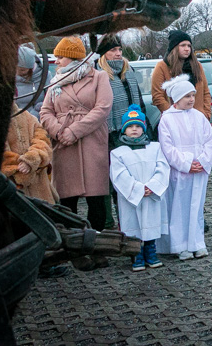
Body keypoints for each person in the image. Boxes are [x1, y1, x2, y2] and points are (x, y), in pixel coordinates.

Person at [40, 36, 112, 231]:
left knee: (95, 198)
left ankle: (97, 244)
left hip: (90, 140)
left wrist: (75, 131)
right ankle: (74, 248)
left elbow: (102, 108)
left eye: (61, 57)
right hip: (64, 143)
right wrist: (57, 131)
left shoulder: (98, 77)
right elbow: (45, 111)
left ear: (72, 57)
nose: (57, 61)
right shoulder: (55, 81)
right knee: (66, 199)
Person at [157, 75, 212, 260]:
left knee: (196, 206)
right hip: (179, 172)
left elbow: (209, 140)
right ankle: (180, 245)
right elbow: (167, 148)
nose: (191, 99)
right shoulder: (167, 119)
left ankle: (196, 242)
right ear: (176, 98)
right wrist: (187, 164)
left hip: (198, 171)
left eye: (192, 95)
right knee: (179, 207)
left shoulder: (198, 116)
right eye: (187, 96)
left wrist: (203, 161)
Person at [110, 104, 170, 272]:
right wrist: (137, 189)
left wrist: (153, 186)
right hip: (132, 198)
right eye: (130, 126)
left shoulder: (155, 147)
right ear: (124, 130)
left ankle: (151, 252)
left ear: (143, 128)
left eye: (138, 126)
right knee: (134, 225)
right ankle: (136, 254)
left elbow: (162, 168)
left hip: (151, 195)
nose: (134, 129)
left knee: (151, 222)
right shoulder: (118, 152)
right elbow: (119, 175)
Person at [95, 34, 144, 229]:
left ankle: (128, 219)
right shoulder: (98, 73)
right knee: (108, 179)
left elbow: (138, 100)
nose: (117, 54)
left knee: (129, 176)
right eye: (112, 50)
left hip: (130, 130)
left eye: (119, 50)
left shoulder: (128, 71)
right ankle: (108, 222)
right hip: (107, 133)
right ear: (103, 54)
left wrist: (143, 124)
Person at [151, 29, 212, 120]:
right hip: (176, 121)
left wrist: (206, 114)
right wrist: (173, 115)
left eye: (189, 46)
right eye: (183, 45)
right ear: (174, 47)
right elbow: (157, 96)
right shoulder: (162, 66)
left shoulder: (197, 65)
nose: (187, 49)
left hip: (199, 119)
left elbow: (206, 92)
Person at [1, 102, 55, 204]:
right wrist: (18, 169)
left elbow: (43, 141)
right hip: (12, 189)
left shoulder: (28, 117)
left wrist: (31, 160)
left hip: (41, 189)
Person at [15, 44, 46, 118]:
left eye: (22, 70)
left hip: (36, 119)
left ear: (31, 68)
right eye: (16, 68)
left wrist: (33, 116)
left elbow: (49, 100)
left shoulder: (44, 75)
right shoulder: (9, 77)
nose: (18, 73)